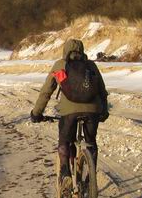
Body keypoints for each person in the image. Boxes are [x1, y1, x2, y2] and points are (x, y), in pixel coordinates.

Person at [30, 39, 109, 180]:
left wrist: (37, 113)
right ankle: (90, 178)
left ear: (65, 51)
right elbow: (102, 90)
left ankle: (65, 172)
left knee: (65, 141)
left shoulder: (60, 66)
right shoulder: (90, 65)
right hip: (93, 111)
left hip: (69, 112)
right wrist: (103, 111)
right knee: (91, 143)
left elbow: (46, 91)